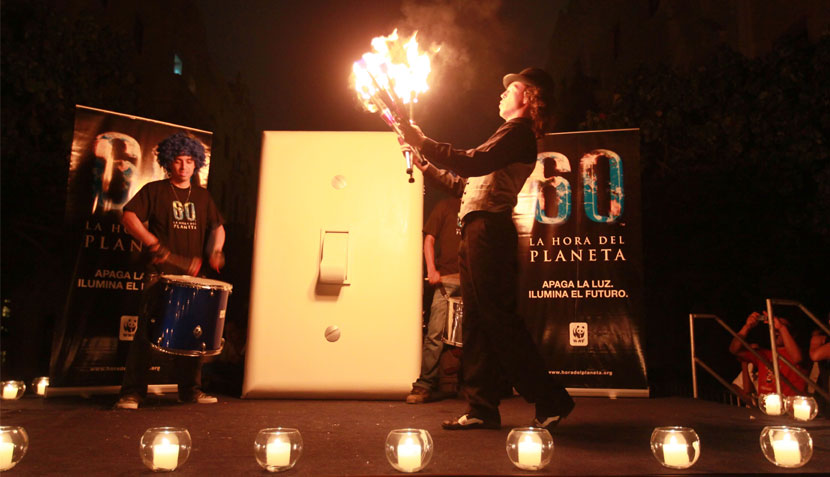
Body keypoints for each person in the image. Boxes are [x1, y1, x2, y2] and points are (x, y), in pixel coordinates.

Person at [399, 67, 574, 431]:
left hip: (490, 234)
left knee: (497, 318)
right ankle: (481, 408)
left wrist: (423, 141)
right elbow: (464, 184)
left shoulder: (518, 133)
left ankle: (551, 399)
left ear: (528, 97)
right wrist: (424, 160)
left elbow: (471, 161)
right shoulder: (503, 136)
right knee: (476, 323)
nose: (501, 94)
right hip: (475, 231)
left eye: (510, 89)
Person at [114, 132, 226, 410]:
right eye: (178, 161)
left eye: (189, 161)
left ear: (196, 164)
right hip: (158, 276)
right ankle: (132, 393)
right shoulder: (155, 191)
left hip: (193, 279)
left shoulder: (202, 197)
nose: (184, 166)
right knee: (144, 336)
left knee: (193, 336)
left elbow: (218, 227)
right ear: (168, 162)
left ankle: (190, 391)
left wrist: (215, 250)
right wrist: (152, 242)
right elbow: (128, 216)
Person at [406, 196, 462, 404]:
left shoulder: (480, 207)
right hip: (446, 280)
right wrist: (431, 269)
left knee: (476, 336)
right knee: (435, 333)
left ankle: (478, 389)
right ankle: (424, 385)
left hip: (474, 280)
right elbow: (429, 239)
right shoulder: (445, 204)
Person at [729, 311, 807, 396]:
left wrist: (781, 327)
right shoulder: (765, 354)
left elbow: (797, 358)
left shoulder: (799, 352)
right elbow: (734, 349)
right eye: (773, 327)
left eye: (784, 327)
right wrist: (747, 326)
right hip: (766, 406)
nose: (776, 330)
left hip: (789, 407)